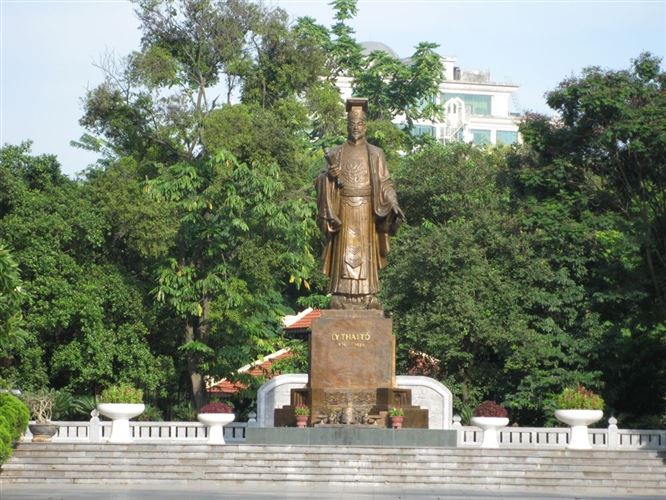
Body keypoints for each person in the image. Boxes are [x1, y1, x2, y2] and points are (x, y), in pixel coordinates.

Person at [315, 98, 404, 310]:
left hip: (366, 210)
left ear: (365, 126)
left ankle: (368, 295)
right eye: (352, 124)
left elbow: (385, 183)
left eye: (360, 124)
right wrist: (329, 177)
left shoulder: (375, 153)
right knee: (344, 251)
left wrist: (392, 201)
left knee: (365, 253)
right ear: (347, 126)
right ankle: (340, 294)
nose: (356, 128)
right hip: (344, 209)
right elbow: (319, 180)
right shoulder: (337, 152)